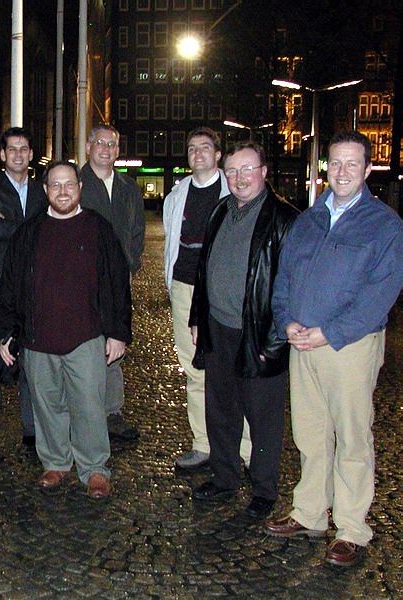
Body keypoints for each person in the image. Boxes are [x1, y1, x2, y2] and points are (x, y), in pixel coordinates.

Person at [265, 131, 403, 568]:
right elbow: (283, 278)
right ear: (326, 167)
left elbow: (380, 293)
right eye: (335, 164)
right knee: (309, 433)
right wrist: (286, 319)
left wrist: (330, 332)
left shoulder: (384, 225)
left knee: (352, 437)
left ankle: (351, 527)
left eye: (351, 164)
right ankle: (309, 513)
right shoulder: (309, 219)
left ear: (366, 169)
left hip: (349, 346)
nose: (341, 172)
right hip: (302, 342)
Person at [0, 160, 132, 498]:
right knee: (47, 404)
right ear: (45, 191)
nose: (63, 191)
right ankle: (55, 462)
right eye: (55, 185)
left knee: (88, 404)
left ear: (80, 187)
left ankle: (94, 469)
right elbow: (10, 284)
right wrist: (6, 331)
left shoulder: (98, 228)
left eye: (69, 184)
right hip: (39, 336)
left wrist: (118, 332)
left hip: (86, 334)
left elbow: (117, 284)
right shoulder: (29, 232)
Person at [189, 141, 297, 519]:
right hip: (218, 328)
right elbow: (205, 269)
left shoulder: (283, 218)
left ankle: (264, 490)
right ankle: (224, 477)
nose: (239, 178)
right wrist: (198, 318)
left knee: (263, 417)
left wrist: (278, 337)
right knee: (220, 410)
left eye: (247, 169)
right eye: (232, 171)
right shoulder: (222, 210)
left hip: (259, 334)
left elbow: (292, 283)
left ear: (264, 172)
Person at [163, 127, 252, 470]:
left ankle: (243, 449)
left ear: (218, 155)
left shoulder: (234, 191)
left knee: (232, 368)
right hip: (186, 288)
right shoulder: (176, 196)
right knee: (194, 367)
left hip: (224, 291)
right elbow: (173, 242)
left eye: (205, 147)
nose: (197, 153)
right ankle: (203, 443)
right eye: (191, 148)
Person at [0, 126, 48, 454]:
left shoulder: (42, 191)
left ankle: (32, 430)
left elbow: (45, 227)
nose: (18, 154)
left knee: (31, 359)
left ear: (31, 154)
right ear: (3, 154)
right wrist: (31, 226)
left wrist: (16, 224)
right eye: (12, 149)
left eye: (24, 148)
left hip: (32, 284)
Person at [80, 124, 145, 442]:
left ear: (118, 150)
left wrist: (130, 265)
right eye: (100, 143)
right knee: (82, 345)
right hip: (82, 280)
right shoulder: (75, 183)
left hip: (118, 281)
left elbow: (137, 234)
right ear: (88, 146)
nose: (106, 149)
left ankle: (111, 411)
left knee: (115, 345)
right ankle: (81, 411)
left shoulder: (130, 189)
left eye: (112, 144)